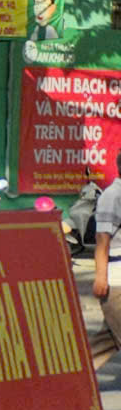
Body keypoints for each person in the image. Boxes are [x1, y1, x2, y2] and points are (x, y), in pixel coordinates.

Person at [90, 153, 121, 360]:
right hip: (117, 281)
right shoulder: (113, 196)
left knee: (105, 342)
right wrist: (101, 276)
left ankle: (73, 381)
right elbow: (102, 240)